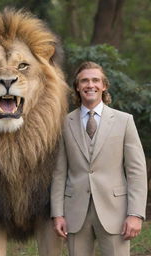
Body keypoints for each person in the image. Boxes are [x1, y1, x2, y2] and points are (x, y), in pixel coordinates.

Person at [51, 61, 147, 256]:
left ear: (104, 86)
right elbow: (59, 173)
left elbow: (136, 172)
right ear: (77, 87)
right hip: (75, 213)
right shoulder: (64, 123)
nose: (90, 85)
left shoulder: (124, 121)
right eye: (84, 81)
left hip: (116, 213)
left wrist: (135, 214)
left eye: (96, 80)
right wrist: (57, 214)